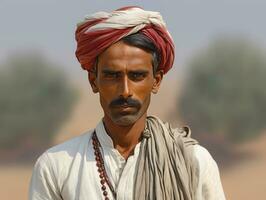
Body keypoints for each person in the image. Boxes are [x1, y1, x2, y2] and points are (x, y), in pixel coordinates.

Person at [29, 6, 226, 200]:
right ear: (93, 81)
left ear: (156, 81)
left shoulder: (193, 162)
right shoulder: (56, 167)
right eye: (112, 76)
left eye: (137, 76)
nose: (125, 91)